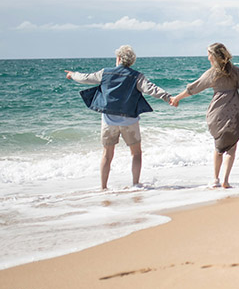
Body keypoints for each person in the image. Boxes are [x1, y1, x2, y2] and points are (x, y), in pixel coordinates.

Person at [65, 45, 173, 190]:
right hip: (130, 121)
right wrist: (169, 98)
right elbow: (151, 89)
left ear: (119, 58)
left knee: (107, 155)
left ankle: (103, 187)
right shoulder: (136, 76)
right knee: (136, 153)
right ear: (131, 61)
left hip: (109, 121)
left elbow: (85, 78)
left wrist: (72, 74)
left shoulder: (105, 73)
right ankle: (135, 184)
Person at [171, 43, 239, 189]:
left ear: (214, 56)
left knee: (218, 147)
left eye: (209, 54)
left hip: (217, 112)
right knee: (231, 148)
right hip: (235, 110)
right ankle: (225, 180)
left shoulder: (212, 73)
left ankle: (215, 179)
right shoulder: (236, 71)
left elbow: (194, 88)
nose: (208, 57)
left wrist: (177, 98)